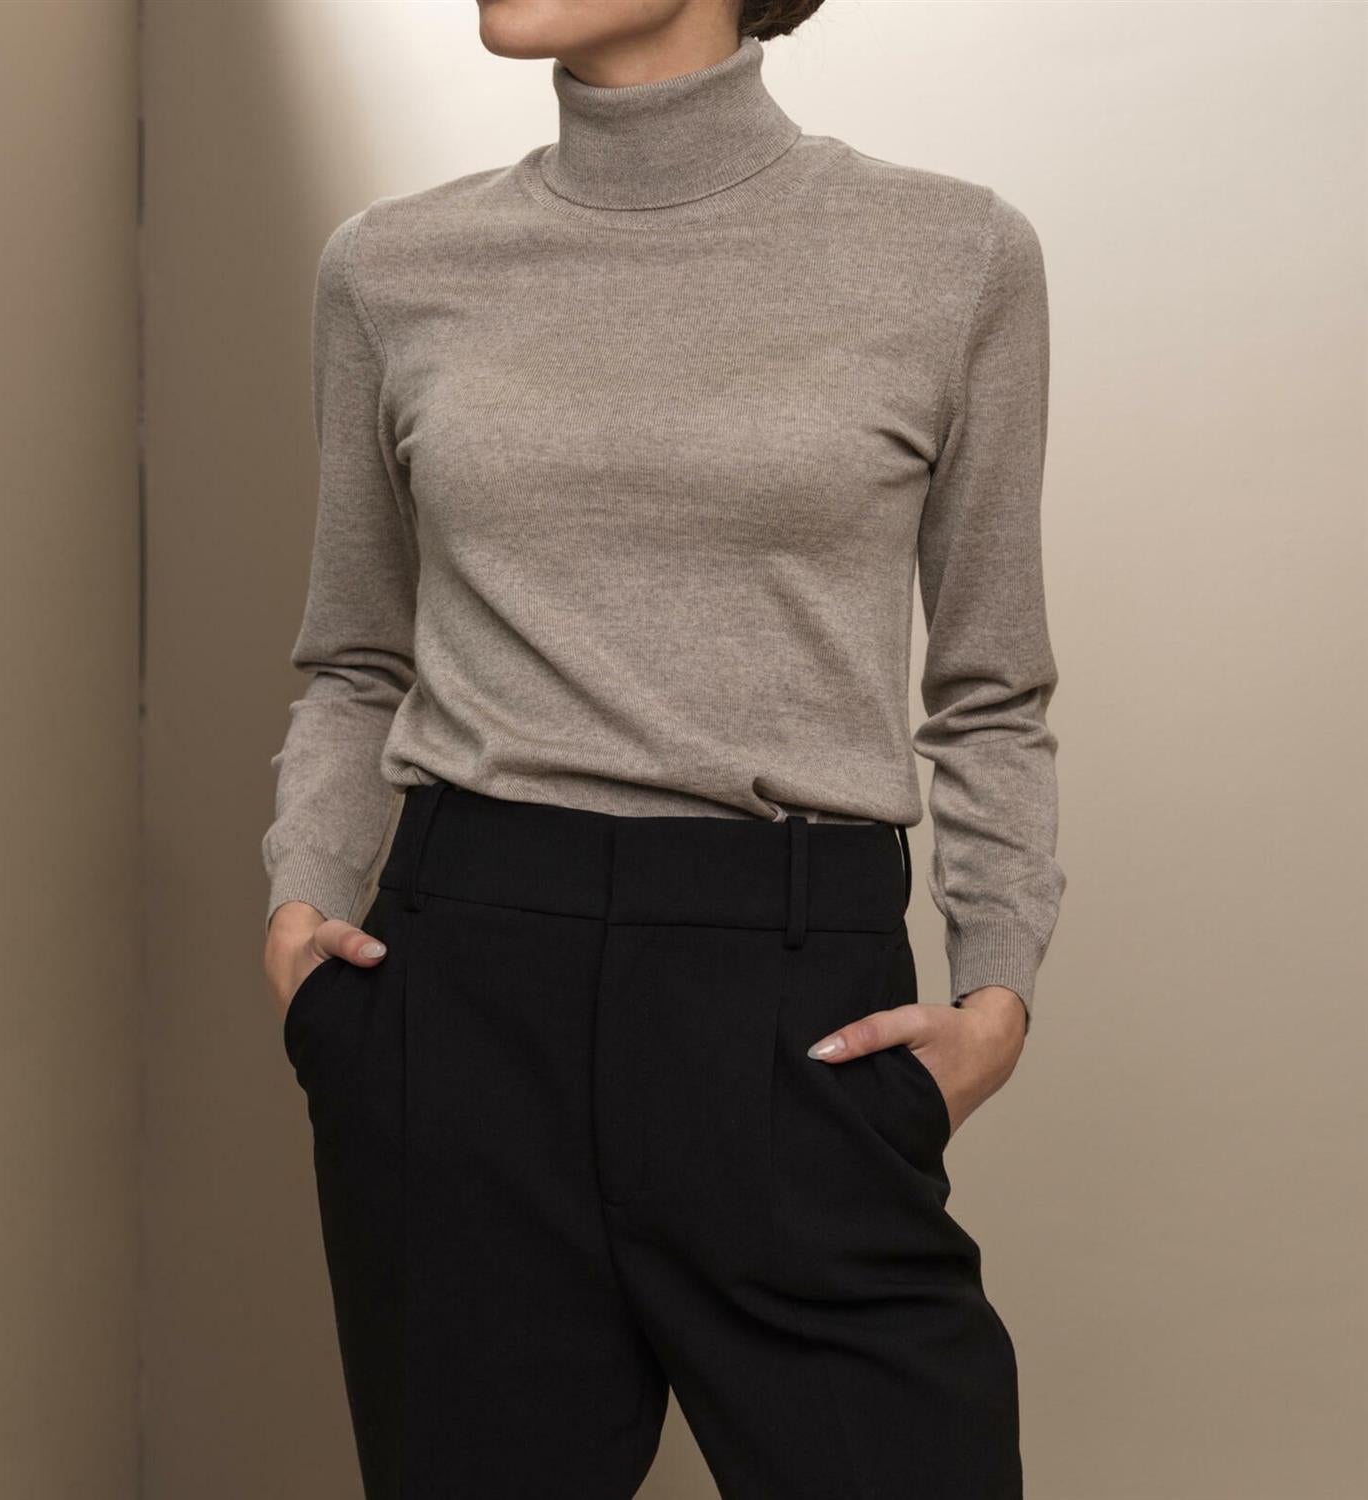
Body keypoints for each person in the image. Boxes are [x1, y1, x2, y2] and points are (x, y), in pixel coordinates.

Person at [260, 1, 1066, 1495]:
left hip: (790, 999)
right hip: (464, 996)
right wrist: (305, 915)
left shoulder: (952, 256)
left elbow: (990, 688)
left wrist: (997, 989)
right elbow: (358, 659)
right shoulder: (392, 266)